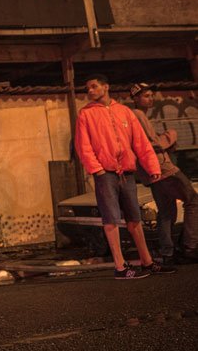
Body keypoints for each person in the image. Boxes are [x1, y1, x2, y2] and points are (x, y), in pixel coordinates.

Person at [74, 74, 173, 279]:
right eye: (88, 88)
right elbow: (83, 146)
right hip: (106, 173)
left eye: (94, 87)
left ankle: (147, 262)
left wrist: (152, 165)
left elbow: (140, 143)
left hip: (126, 172)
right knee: (110, 219)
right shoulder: (86, 114)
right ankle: (120, 267)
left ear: (106, 87)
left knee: (134, 218)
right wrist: (97, 169)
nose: (90, 91)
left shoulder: (124, 112)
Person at [129, 83, 198, 262]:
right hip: (163, 168)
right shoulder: (138, 115)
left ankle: (167, 252)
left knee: (166, 211)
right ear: (135, 99)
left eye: (152, 95)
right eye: (146, 96)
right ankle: (190, 247)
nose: (150, 99)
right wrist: (171, 135)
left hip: (151, 172)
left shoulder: (135, 116)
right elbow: (150, 144)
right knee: (193, 200)